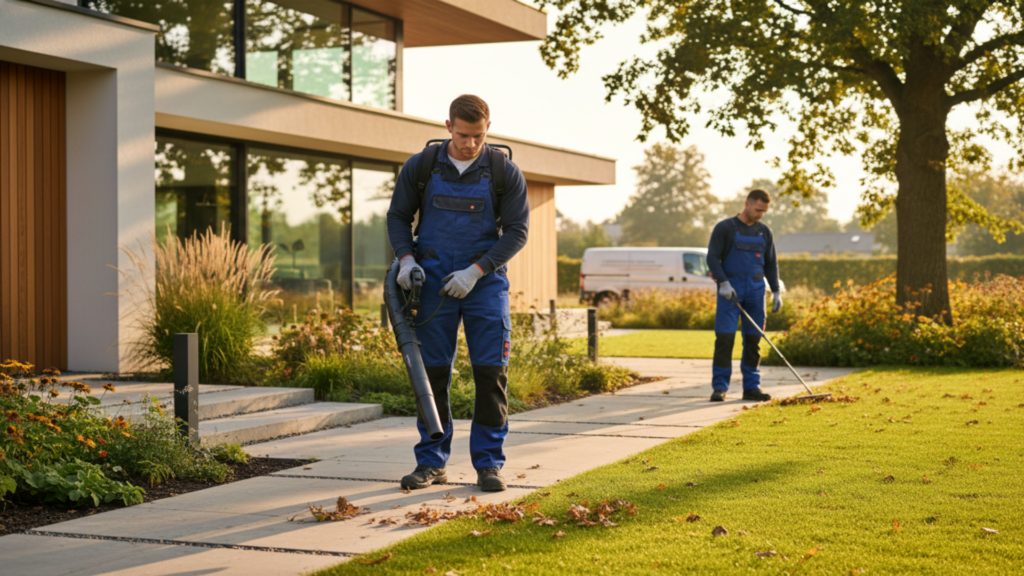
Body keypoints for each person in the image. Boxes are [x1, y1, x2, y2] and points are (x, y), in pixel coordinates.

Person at [386, 95, 529, 492]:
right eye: (464, 135)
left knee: (490, 374)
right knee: (431, 375)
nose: (470, 144)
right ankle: (432, 462)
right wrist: (406, 260)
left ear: (488, 128)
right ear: (448, 126)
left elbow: (518, 231)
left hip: (484, 283)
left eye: (478, 135)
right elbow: (398, 216)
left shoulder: (503, 171)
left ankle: (488, 464)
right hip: (430, 282)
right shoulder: (422, 166)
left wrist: (476, 270)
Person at [705, 189, 782, 402]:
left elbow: (771, 264)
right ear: (747, 204)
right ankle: (720, 387)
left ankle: (751, 388)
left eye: (764, 211)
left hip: (756, 293)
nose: (760, 215)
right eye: (758, 210)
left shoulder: (764, 232)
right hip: (730, 292)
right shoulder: (725, 228)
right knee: (725, 339)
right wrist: (723, 282)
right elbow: (712, 258)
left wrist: (776, 290)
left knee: (753, 342)